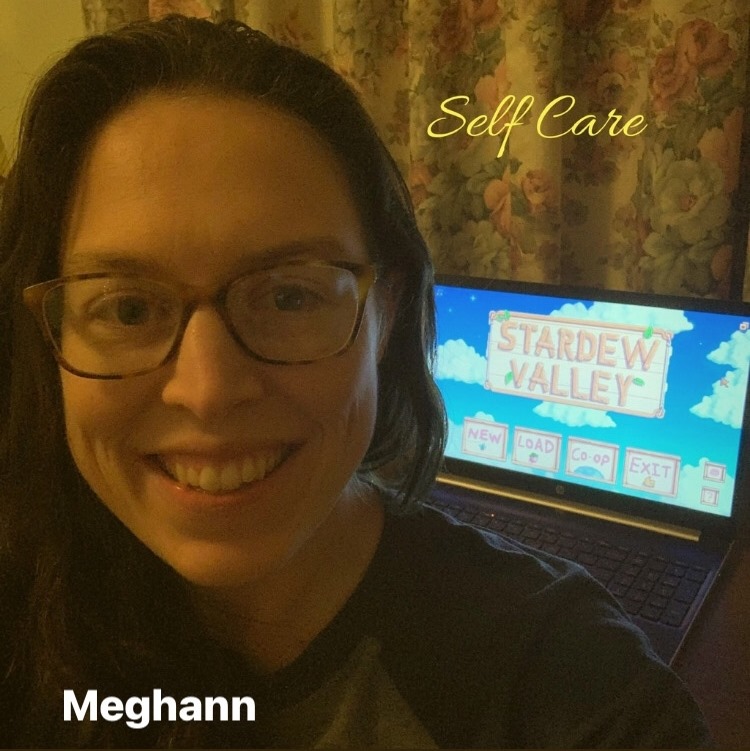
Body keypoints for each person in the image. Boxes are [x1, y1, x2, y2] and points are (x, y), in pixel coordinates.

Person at [0, 14, 711, 748]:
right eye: (127, 308)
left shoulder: (573, 688)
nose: (207, 392)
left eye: (289, 296)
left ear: (387, 312)